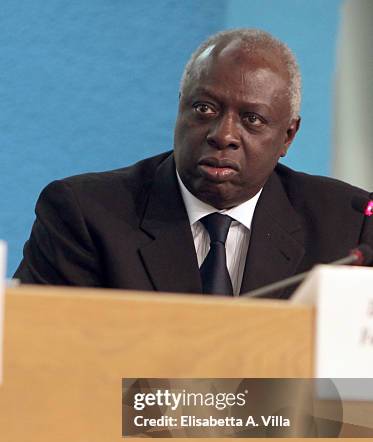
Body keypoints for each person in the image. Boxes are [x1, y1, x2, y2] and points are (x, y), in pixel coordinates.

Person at [14, 28, 371, 297]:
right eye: (205, 109)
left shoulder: (349, 229)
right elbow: (42, 360)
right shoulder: (85, 215)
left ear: (288, 136)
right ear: (180, 107)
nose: (223, 134)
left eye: (252, 119)